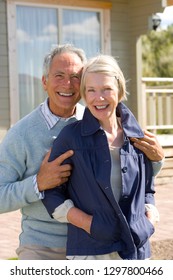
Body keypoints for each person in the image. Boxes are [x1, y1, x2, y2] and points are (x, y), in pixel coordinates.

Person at [0, 44, 163, 260]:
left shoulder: (98, 117)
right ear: (45, 82)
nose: (68, 84)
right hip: (45, 245)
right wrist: (37, 183)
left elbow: (130, 175)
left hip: (98, 243)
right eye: (59, 75)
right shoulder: (21, 134)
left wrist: (157, 159)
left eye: (76, 76)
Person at [42, 54, 160, 260]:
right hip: (90, 253)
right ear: (84, 95)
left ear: (119, 90)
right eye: (91, 90)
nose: (99, 98)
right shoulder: (71, 137)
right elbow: (51, 194)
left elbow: (148, 188)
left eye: (106, 89)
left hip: (137, 252)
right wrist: (89, 224)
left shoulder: (137, 137)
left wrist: (149, 220)